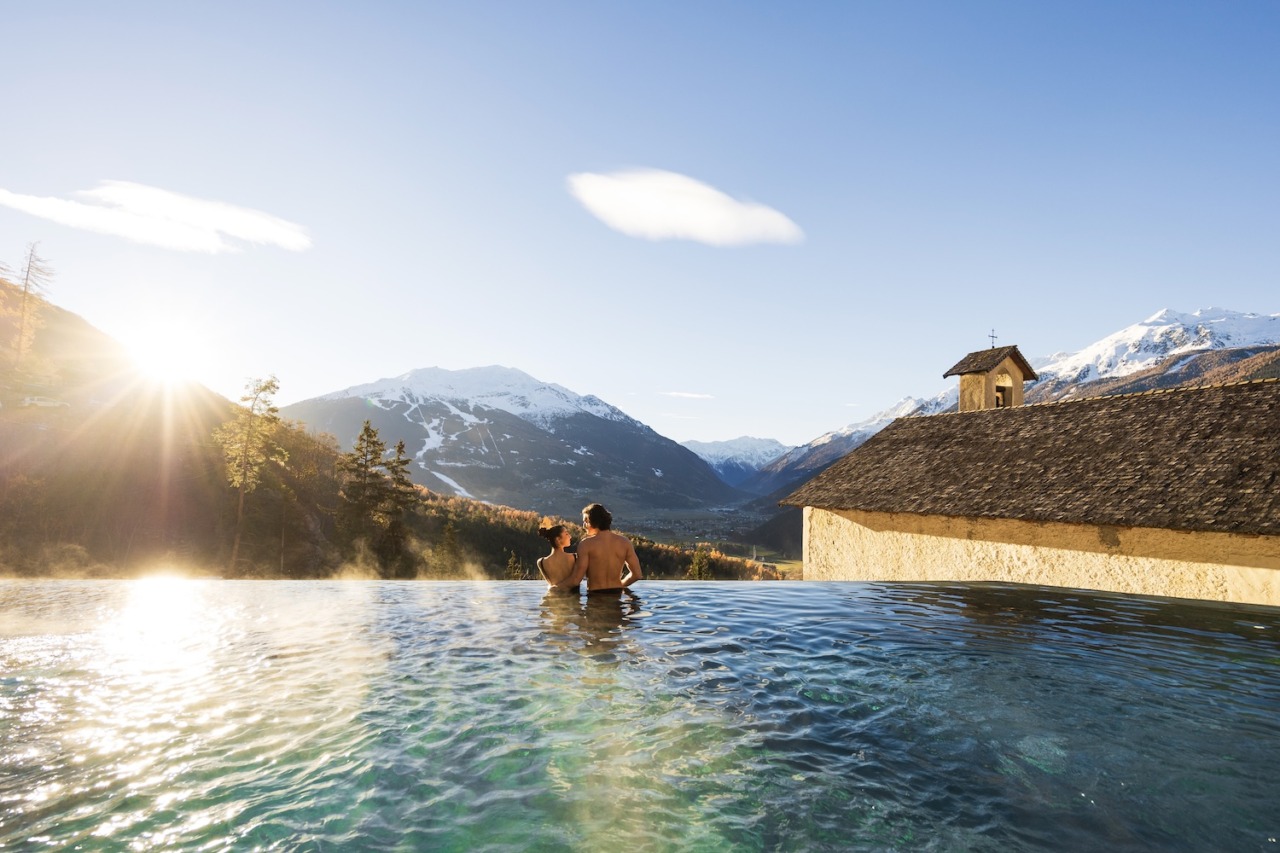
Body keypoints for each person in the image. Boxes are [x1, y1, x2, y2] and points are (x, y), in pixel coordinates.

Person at [564, 503, 642, 594]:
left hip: (596, 597)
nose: (584, 526)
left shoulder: (586, 544)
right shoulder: (625, 542)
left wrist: (555, 587)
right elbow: (637, 574)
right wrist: (621, 585)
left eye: (586, 521)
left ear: (594, 521)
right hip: (616, 595)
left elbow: (576, 579)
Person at [536, 521, 579, 593]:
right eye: (566, 534)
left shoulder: (541, 562)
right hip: (572, 599)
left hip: (552, 600)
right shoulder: (575, 557)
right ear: (558, 539)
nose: (570, 536)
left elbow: (551, 586)